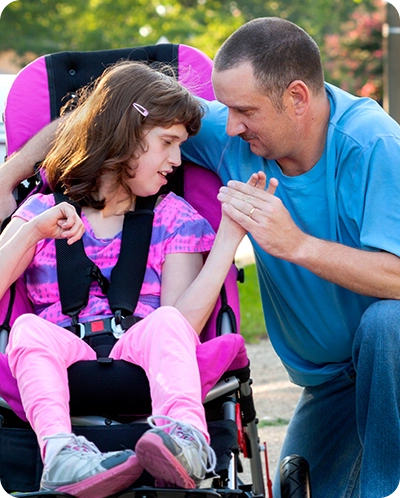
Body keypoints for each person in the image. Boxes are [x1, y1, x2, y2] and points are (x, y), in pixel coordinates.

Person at [2, 18, 399, 498]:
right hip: (327, 380)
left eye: (243, 110)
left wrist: (293, 244)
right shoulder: (229, 132)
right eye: (227, 108)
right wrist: (10, 178)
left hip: (387, 360)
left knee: (387, 324)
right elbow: (99, 117)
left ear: (297, 98)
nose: (227, 125)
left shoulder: (374, 145)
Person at [0, 60, 264, 497]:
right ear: (126, 134)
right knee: (27, 329)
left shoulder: (174, 218)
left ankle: (185, 441)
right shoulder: (39, 212)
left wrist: (229, 237)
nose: (177, 161)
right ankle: (63, 457)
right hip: (62, 348)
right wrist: (32, 232)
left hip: (142, 347)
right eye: (168, 142)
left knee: (165, 323)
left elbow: (182, 323)